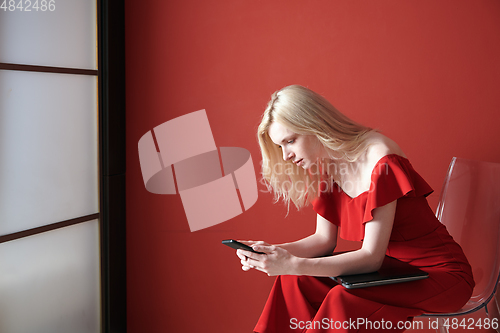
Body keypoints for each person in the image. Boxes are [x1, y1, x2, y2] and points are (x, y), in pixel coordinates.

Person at [235, 85, 474, 333]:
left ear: (315, 124)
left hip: (440, 276)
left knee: (340, 298)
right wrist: (270, 252)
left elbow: (371, 256)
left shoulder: (381, 159)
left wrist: (293, 263)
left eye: (290, 141)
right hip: (391, 273)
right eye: (280, 146)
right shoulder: (325, 165)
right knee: (294, 280)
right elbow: (323, 241)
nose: (285, 155)